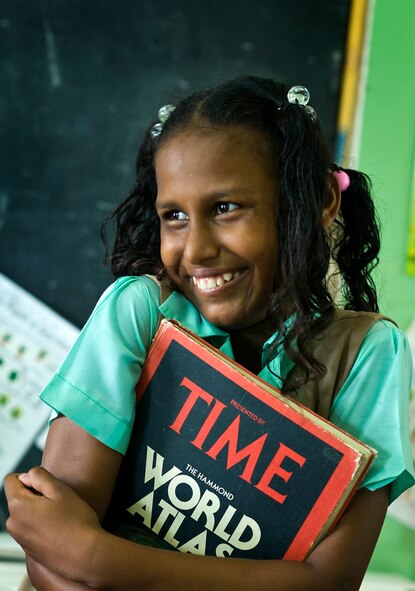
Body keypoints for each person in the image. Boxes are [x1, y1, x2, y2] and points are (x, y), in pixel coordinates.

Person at [4, 76, 415, 591]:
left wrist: (96, 558)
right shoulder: (141, 312)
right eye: (173, 215)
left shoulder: (364, 354)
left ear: (318, 200)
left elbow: (327, 582)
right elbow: (48, 550)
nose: (195, 250)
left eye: (225, 208)